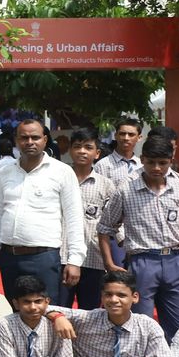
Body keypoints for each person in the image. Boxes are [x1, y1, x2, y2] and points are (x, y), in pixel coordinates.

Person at [98, 135, 179, 338]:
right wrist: (109, 263)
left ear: (171, 160)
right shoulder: (126, 188)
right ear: (142, 159)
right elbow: (105, 227)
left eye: (163, 163)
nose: (157, 168)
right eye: (151, 162)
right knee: (140, 324)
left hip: (175, 260)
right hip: (142, 262)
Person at [0, 116, 85, 299]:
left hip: (44, 258)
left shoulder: (62, 172)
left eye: (35, 137)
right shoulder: (6, 172)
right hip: (9, 257)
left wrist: (75, 260)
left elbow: (74, 218)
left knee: (46, 310)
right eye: (24, 138)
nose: (29, 142)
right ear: (16, 140)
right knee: (15, 310)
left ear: (45, 140)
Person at [61, 127, 112, 309]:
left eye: (88, 147)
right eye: (77, 146)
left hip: (93, 258)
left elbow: (113, 222)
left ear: (97, 153)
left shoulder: (106, 185)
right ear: (70, 150)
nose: (82, 151)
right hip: (61, 256)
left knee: (90, 313)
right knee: (59, 310)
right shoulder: (59, 179)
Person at [93, 114, 143, 183]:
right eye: (122, 134)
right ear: (115, 136)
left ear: (139, 138)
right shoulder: (102, 165)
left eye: (131, 134)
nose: (126, 138)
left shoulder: (142, 165)